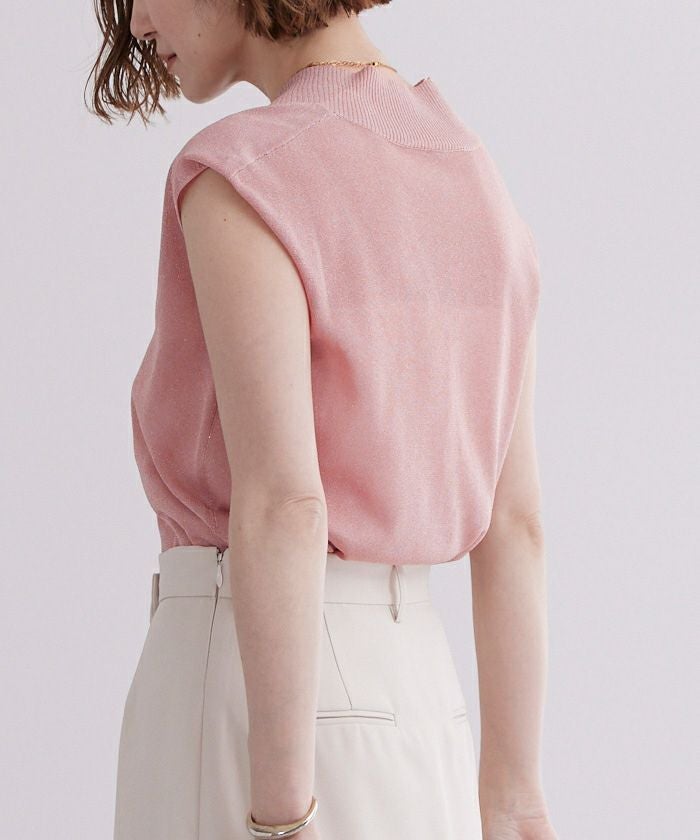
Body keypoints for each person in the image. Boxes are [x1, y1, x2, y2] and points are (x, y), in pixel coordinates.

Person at [87, 2, 557, 839]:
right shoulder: (474, 176)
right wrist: (515, 794)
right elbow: (514, 523)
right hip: (425, 704)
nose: (138, 22)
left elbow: (284, 505)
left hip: (253, 689)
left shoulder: (243, 174)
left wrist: (280, 814)